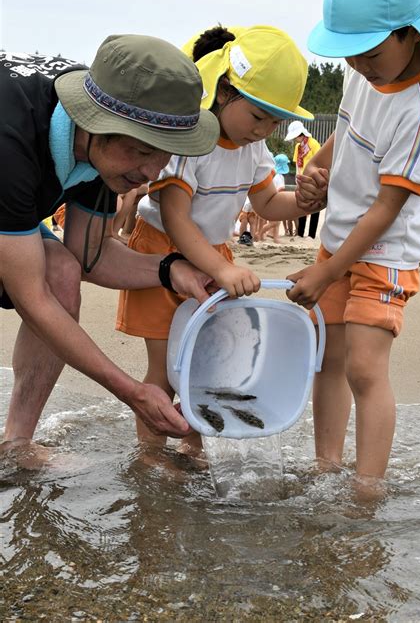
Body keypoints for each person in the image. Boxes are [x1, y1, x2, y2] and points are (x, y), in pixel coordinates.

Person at [287, 0, 420, 497]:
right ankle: (326, 466)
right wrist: (317, 167)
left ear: (411, 32)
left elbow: (388, 208)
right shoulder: (361, 73)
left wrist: (327, 271)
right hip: (337, 240)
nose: (357, 64)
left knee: (363, 366)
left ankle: (367, 487)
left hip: (384, 251)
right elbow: (347, 130)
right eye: (349, 54)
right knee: (326, 360)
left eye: (369, 52)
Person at [0, 34, 221, 459]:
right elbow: (33, 300)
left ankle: (16, 446)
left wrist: (171, 268)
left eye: (165, 156)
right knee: (43, 284)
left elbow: (90, 256)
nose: (150, 173)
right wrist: (132, 391)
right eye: (140, 151)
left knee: (62, 271)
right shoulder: (11, 142)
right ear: (93, 124)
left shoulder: (104, 132)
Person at [116, 24, 325, 452]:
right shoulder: (191, 137)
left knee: (205, 366)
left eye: (275, 120)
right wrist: (221, 268)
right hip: (159, 251)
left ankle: (193, 448)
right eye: (257, 115)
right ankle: (151, 456)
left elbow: (267, 203)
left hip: (215, 254)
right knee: (166, 366)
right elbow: (175, 218)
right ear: (225, 91)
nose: (264, 128)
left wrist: (306, 204)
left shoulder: (254, 148)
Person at [285, 120, 321, 239]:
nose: (295, 139)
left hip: (313, 179)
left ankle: (311, 235)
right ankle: (300, 233)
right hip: (301, 179)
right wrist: (297, 177)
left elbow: (318, 162)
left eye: (295, 137)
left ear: (301, 134)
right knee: (302, 206)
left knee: (315, 205)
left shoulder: (314, 144)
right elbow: (297, 164)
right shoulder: (298, 147)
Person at [260, 153, 290, 244]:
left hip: (271, 199)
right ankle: (260, 233)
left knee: (276, 221)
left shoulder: (272, 175)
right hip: (277, 201)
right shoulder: (280, 177)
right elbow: (281, 189)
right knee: (275, 222)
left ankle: (274, 237)